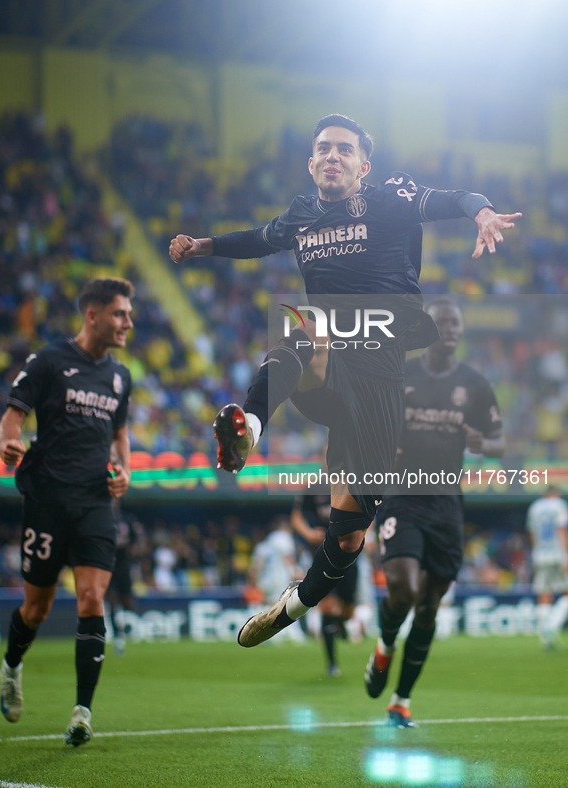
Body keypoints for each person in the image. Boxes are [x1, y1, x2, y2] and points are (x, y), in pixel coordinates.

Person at [169, 114, 520, 649]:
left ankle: (294, 605)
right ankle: (250, 428)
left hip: (381, 373)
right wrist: (202, 246)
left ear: (363, 165)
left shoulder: (391, 197)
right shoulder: (301, 214)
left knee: (350, 531)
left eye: (344, 150)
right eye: (324, 150)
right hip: (331, 359)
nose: (333, 156)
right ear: (311, 164)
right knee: (304, 333)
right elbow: (260, 239)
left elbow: (456, 196)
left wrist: (484, 213)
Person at [0, 278, 134, 746]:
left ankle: (82, 711)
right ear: (92, 314)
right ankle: (12, 665)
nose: (128, 323)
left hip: (96, 501)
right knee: (36, 608)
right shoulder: (48, 361)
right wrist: (6, 441)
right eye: (119, 314)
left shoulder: (120, 376)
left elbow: (120, 434)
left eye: (129, 314)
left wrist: (125, 470)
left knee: (93, 598)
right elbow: (12, 415)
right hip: (48, 499)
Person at [364, 297, 505, 727]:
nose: (452, 329)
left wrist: (484, 446)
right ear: (429, 327)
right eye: (445, 322)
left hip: (446, 504)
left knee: (428, 606)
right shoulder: (398, 374)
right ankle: (385, 644)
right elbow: (370, 423)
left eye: (457, 323)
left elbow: (500, 443)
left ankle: (401, 701)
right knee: (403, 592)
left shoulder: (476, 385)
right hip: (402, 496)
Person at [291, 492, 357, 674]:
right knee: (327, 607)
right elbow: (296, 517)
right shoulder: (313, 489)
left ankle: (340, 622)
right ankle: (332, 663)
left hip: (349, 554)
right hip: (322, 552)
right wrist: (310, 534)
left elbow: (369, 512)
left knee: (348, 610)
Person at [247, 516, 305, 643]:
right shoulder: (283, 538)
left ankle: (269, 633)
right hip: (279, 578)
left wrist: (254, 583)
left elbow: (256, 565)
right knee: (285, 605)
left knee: (270, 605)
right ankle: (289, 634)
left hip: (265, 579)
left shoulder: (264, 544)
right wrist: (297, 572)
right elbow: (288, 558)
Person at [526, 485, 568, 649]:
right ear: (555, 493)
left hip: (540, 555)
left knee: (544, 593)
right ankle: (552, 625)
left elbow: (533, 533)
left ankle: (544, 636)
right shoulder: (559, 505)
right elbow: (562, 530)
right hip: (558, 554)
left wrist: (535, 553)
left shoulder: (534, 507)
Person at [107, 501, 145, 656]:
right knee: (112, 602)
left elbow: (138, 538)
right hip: (108, 565)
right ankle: (118, 638)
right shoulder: (101, 518)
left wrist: (134, 550)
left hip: (123, 565)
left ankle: (138, 627)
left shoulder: (128, 519)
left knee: (127, 602)